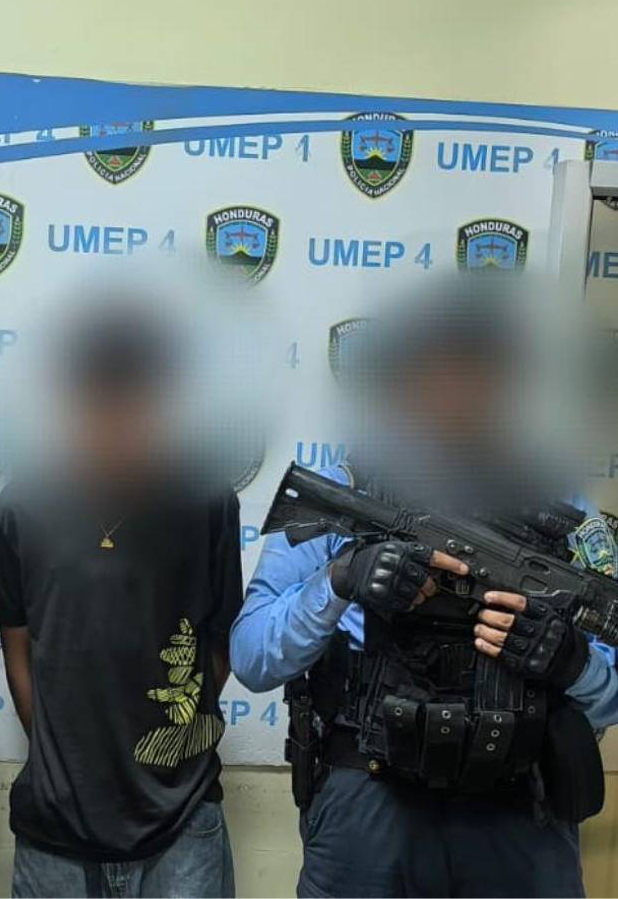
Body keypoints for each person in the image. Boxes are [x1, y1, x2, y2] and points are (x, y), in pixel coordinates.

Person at [231, 284, 618, 898]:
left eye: (475, 368)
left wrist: (571, 664)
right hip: (371, 799)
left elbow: (611, 696)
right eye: (436, 367)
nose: (454, 390)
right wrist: (342, 582)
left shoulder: (558, 509)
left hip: (518, 812)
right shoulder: (345, 491)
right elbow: (252, 657)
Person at [0, 309, 241, 898]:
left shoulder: (207, 502)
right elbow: (17, 644)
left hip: (182, 820)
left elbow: (223, 641)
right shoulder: (22, 507)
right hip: (55, 827)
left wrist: (171, 737)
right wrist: (60, 750)